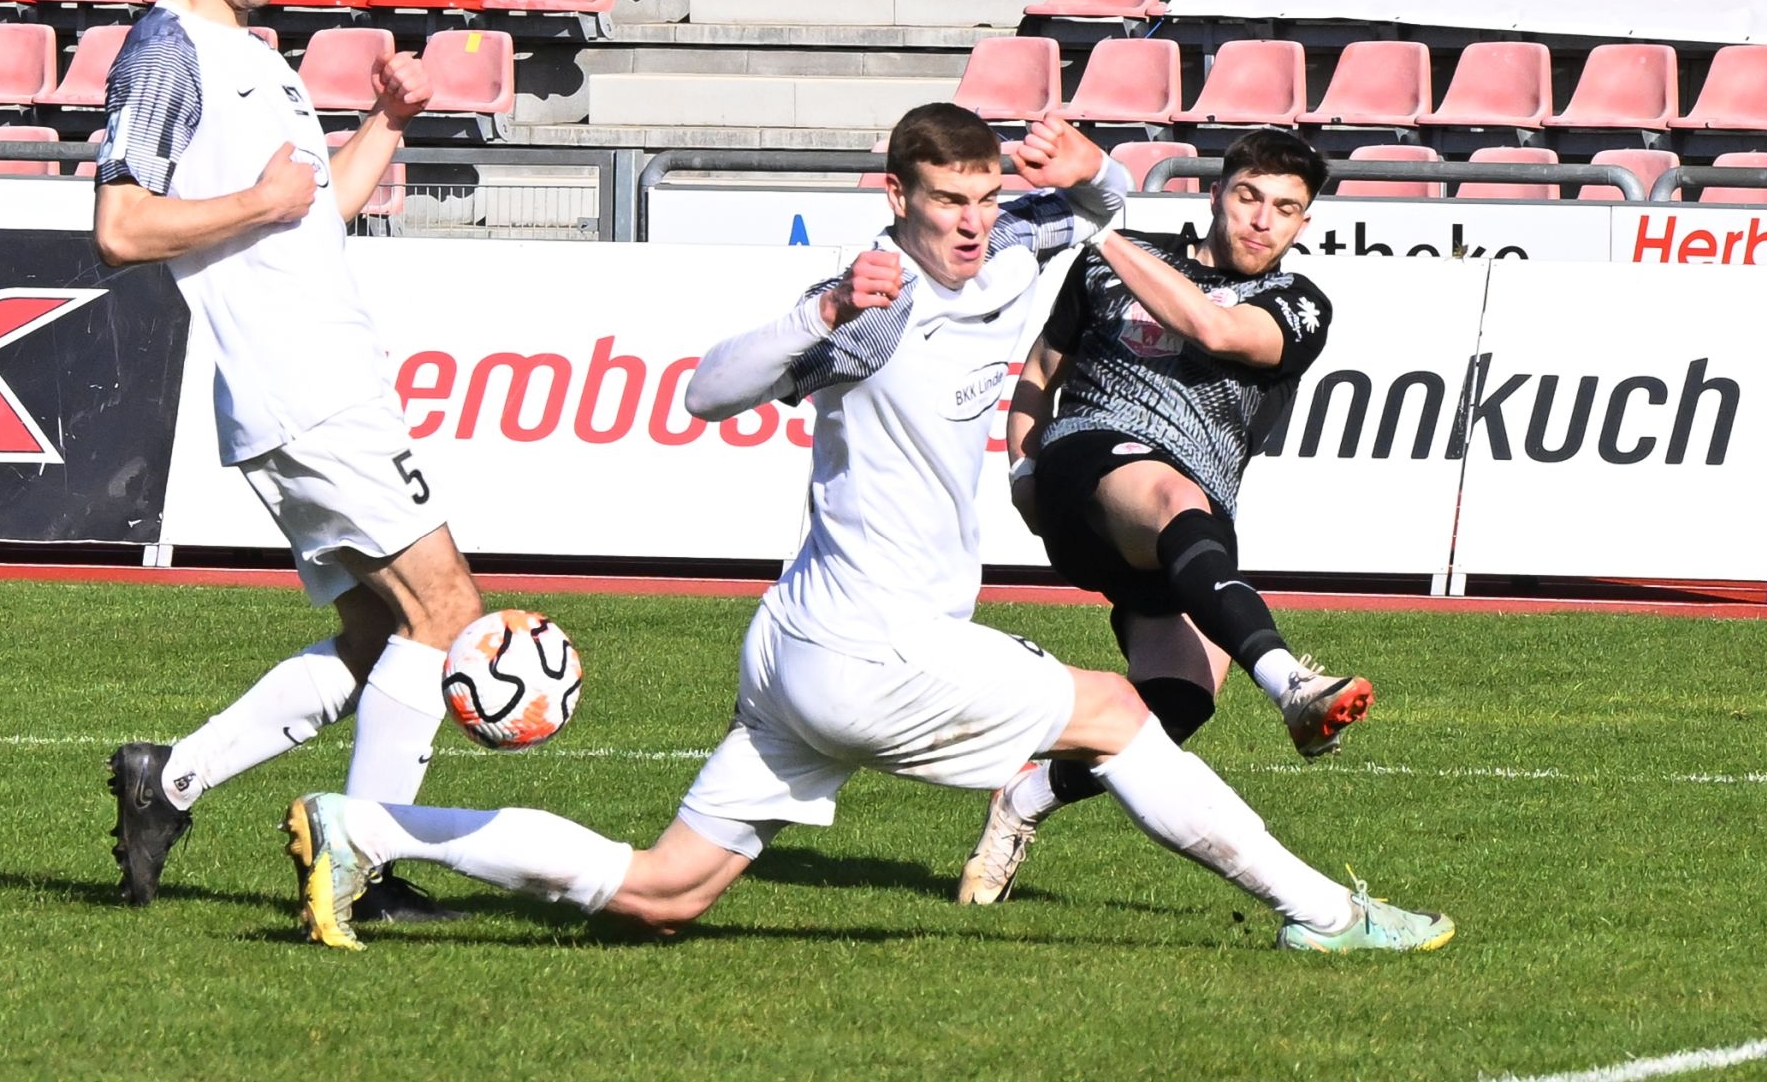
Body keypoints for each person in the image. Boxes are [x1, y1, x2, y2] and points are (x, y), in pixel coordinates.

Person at [280, 105, 1454, 955]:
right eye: (949, 202)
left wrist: (1098, 172)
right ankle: (1328, 913)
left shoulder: (1007, 253)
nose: (972, 224)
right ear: (895, 197)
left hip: (799, 651)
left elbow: (1093, 215)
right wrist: (822, 306)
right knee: (1119, 710)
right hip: (870, 645)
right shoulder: (869, 310)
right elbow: (705, 389)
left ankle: (367, 824)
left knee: (663, 891)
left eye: (988, 200)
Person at [94, 0, 482, 921]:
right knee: (447, 611)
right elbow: (121, 228)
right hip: (307, 389)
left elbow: (317, 207)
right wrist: (253, 207)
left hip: (315, 380)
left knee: (376, 636)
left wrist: (387, 126)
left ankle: (168, 780)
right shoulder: (168, 52)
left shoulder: (256, 54)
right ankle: (357, 871)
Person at [957, 128, 1368, 906]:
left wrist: (1097, 224)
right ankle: (1290, 686)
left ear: (1303, 223)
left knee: (1176, 702)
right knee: (1175, 497)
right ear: (1218, 192)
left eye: (1285, 208)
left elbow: (1215, 328)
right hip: (1091, 468)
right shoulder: (1110, 262)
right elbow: (1042, 374)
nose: (1261, 220)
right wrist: (1020, 466)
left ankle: (1025, 798)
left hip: (1184, 527)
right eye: (1249, 196)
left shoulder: (1300, 304)